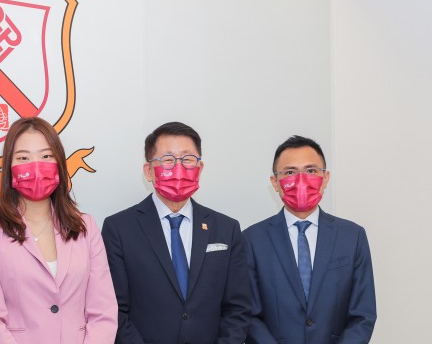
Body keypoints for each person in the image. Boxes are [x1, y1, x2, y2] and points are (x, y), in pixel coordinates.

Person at [0, 116, 117, 344]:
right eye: (23, 158)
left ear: (59, 163)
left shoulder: (85, 226)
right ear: (9, 167)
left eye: (46, 156)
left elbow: (103, 313)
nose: (36, 166)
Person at [102, 121, 251, 344]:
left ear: (199, 168)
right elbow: (115, 310)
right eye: (168, 160)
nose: (179, 168)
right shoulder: (119, 228)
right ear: (149, 170)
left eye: (187, 159)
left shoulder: (226, 229)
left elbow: (237, 309)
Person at [243, 135, 376, 343]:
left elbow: (363, 315)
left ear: (325, 178)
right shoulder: (251, 239)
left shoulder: (353, 236)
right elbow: (249, 315)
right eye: (289, 172)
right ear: (275, 182)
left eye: (311, 171)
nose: (301, 180)